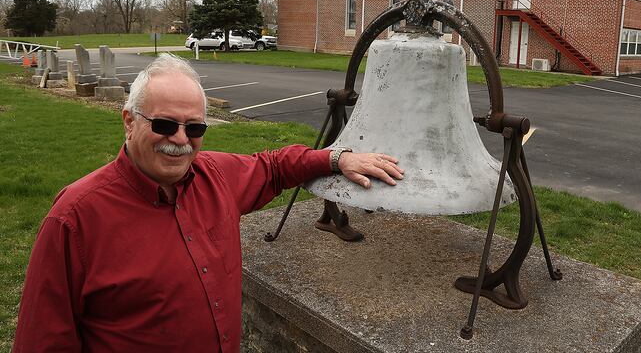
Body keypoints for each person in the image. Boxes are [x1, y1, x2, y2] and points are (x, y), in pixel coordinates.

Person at [13, 55, 404, 352]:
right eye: (165, 124)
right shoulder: (75, 218)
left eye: (195, 127)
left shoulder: (216, 175)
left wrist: (336, 158)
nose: (180, 139)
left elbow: (273, 167)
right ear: (129, 121)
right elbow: (43, 340)